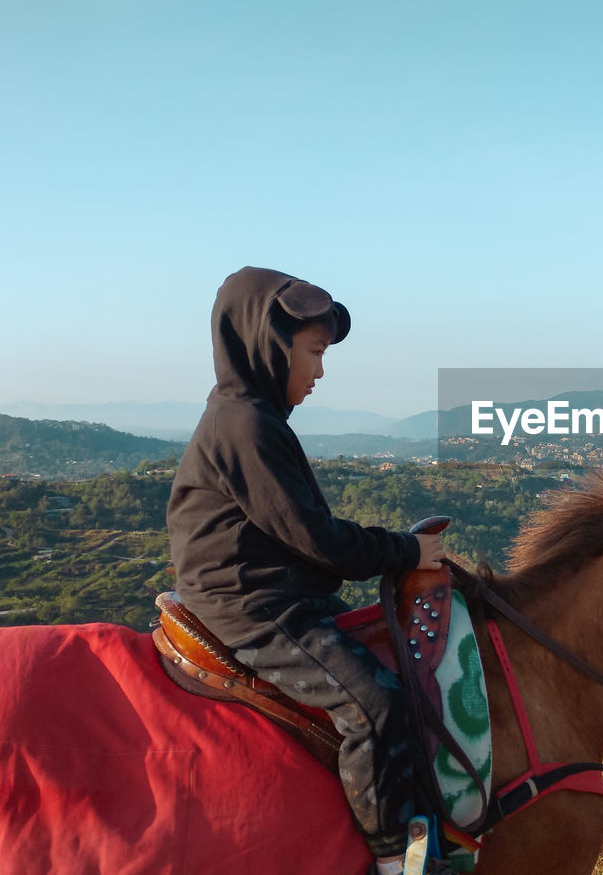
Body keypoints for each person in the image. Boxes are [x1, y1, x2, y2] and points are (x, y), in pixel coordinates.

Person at [167, 267, 444, 874]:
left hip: (279, 592)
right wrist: (405, 551)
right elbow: (320, 542)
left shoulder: (254, 418)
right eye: (314, 352)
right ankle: (394, 857)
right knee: (374, 703)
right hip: (254, 606)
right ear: (269, 345)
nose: (320, 370)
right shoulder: (244, 426)